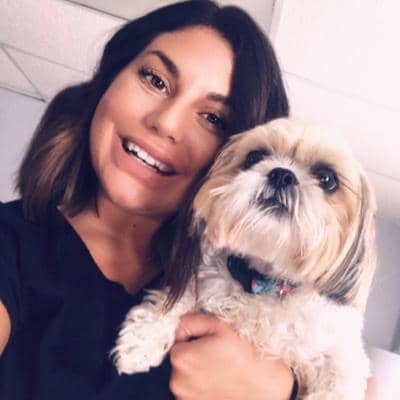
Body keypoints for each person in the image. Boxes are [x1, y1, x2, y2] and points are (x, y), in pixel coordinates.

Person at [0, 1, 376, 399]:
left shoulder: (233, 279)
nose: (166, 123)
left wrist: (283, 389)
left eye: (213, 119)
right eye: (155, 80)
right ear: (110, 77)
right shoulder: (12, 245)